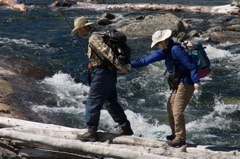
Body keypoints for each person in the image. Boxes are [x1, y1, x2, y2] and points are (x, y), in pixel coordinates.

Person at [130, 29, 202, 147]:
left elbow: (191, 65)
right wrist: (129, 65)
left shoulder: (176, 49)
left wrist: (196, 82)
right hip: (178, 83)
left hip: (187, 82)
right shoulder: (164, 51)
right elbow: (145, 61)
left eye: (158, 44)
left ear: (164, 41)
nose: (157, 46)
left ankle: (180, 138)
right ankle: (175, 135)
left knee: (177, 111)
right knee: (170, 108)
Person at [71, 16, 133, 142]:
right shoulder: (100, 34)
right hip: (109, 73)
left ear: (85, 27)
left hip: (102, 74)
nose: (78, 32)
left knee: (93, 101)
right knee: (110, 101)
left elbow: (107, 52)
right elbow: (103, 53)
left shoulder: (94, 37)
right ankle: (125, 127)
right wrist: (92, 59)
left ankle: (91, 131)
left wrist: (120, 66)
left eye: (79, 29)